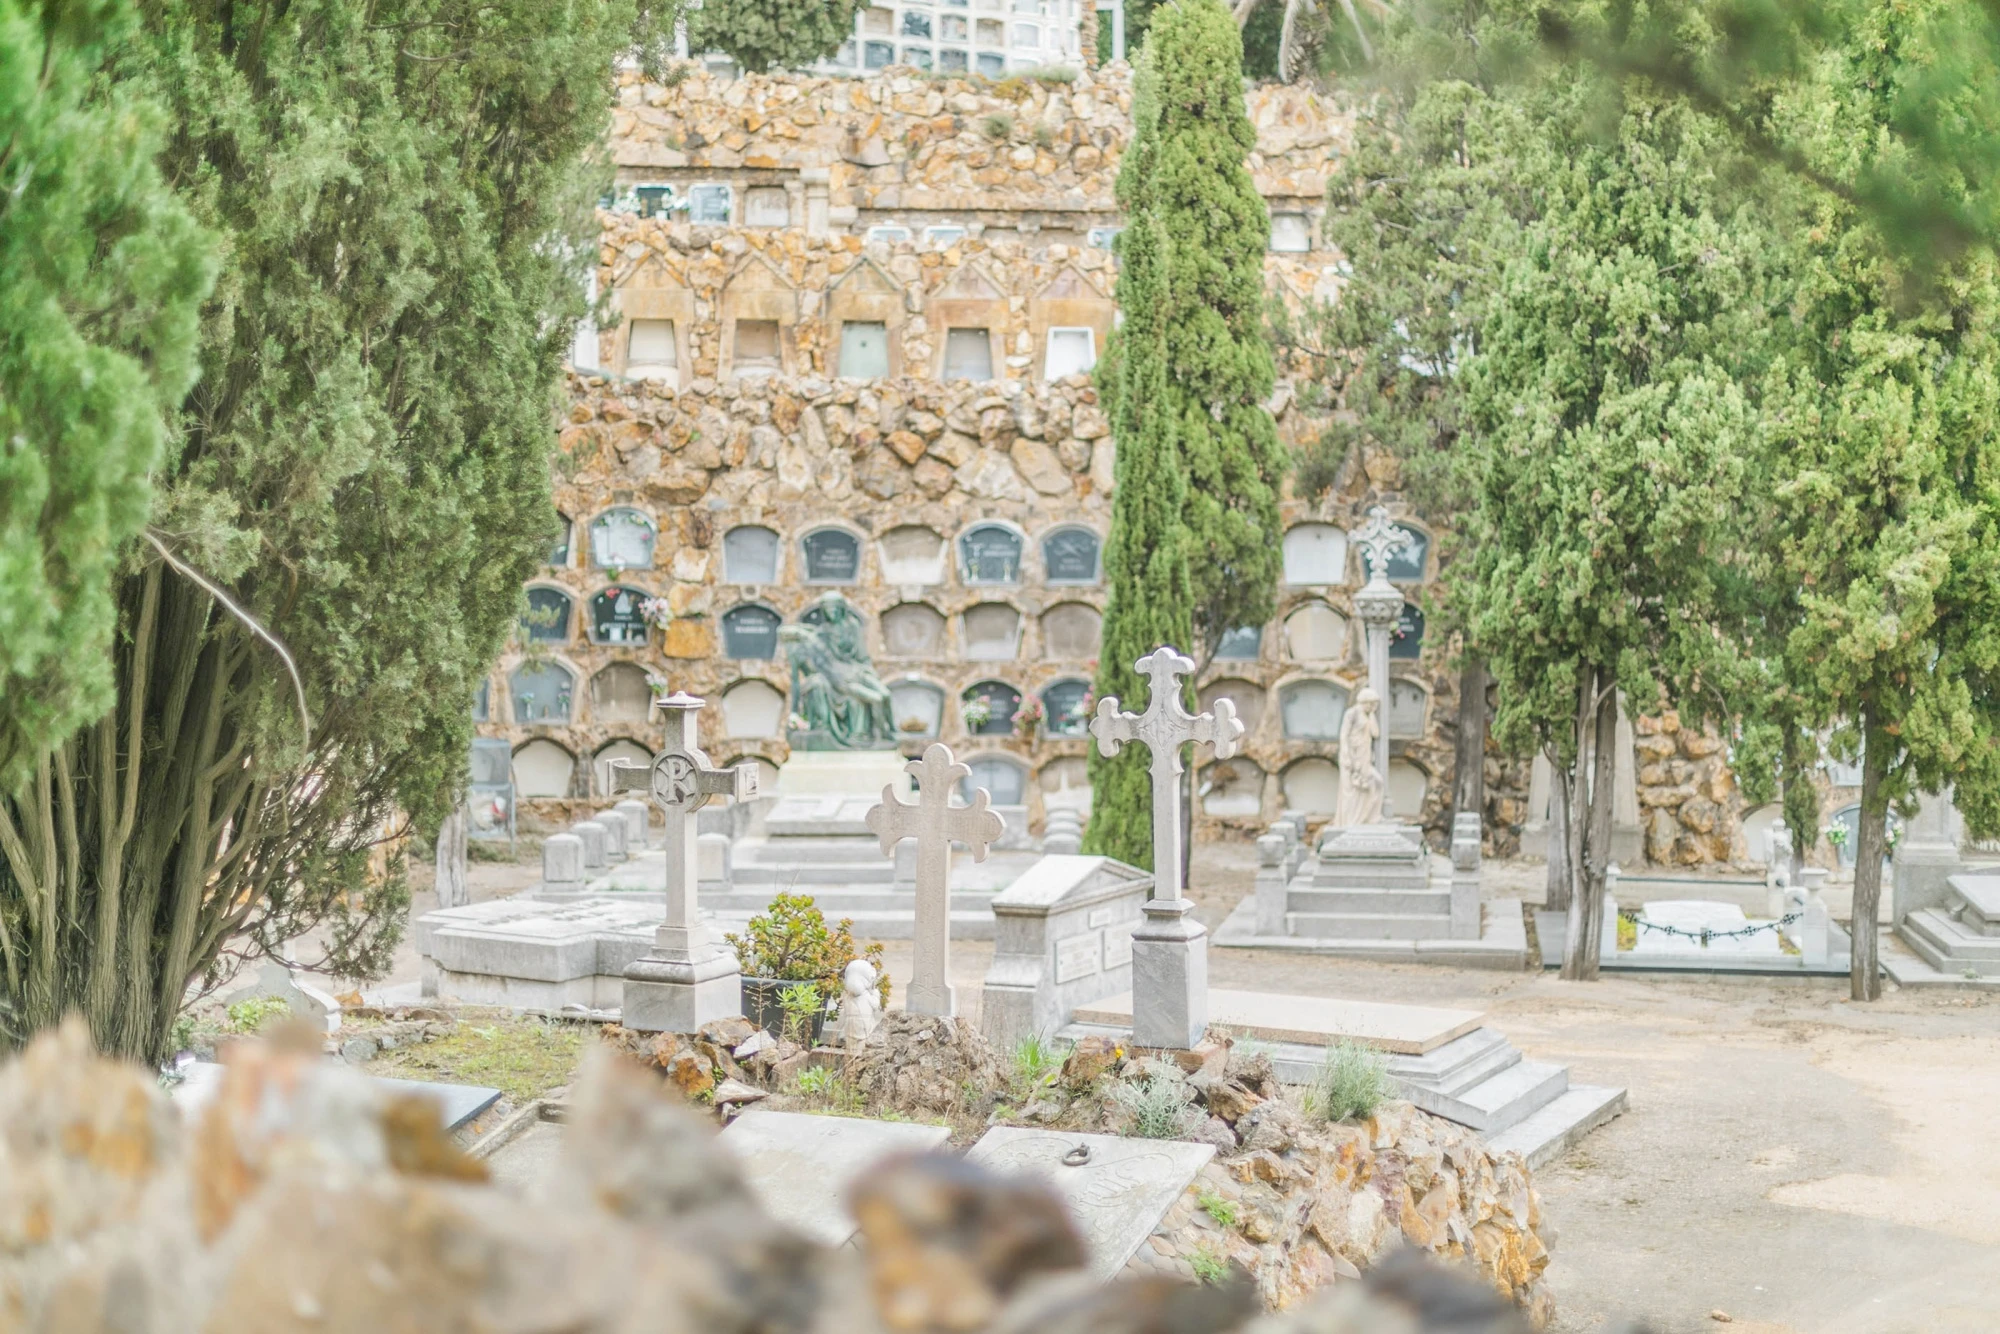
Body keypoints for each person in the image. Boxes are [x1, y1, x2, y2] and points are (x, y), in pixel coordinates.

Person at [1334, 687, 1384, 827]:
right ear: (1365, 701)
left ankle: (1371, 817)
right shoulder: (1352, 713)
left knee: (1377, 782)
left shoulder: (1368, 715)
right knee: (1352, 790)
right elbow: (1344, 735)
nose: (1373, 707)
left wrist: (1373, 715)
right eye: (1372, 704)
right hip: (1352, 755)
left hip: (1365, 755)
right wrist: (1347, 755)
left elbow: (1375, 733)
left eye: (1375, 705)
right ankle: (1351, 821)